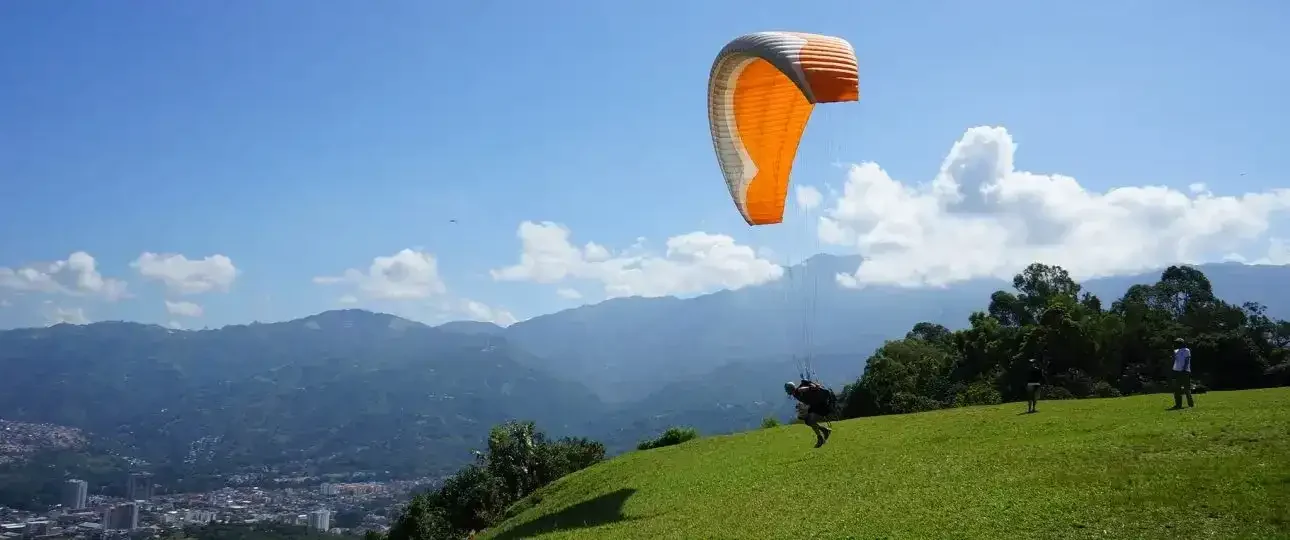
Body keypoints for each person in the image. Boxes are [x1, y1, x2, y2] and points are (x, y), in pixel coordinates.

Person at [784, 380, 833, 448]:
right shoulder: (796, 394)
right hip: (816, 406)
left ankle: (820, 438)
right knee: (807, 421)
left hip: (821, 406)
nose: (786, 391)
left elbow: (803, 389)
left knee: (810, 420)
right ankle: (825, 430)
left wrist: (811, 387)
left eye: (786, 390)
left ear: (789, 389)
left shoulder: (798, 391)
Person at [1171, 338, 1195, 409]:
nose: (1176, 344)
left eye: (1178, 343)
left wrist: (1184, 369)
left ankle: (1190, 404)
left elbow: (1187, 360)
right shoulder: (1176, 351)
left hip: (1185, 371)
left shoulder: (1187, 350)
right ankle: (1178, 404)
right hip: (1177, 371)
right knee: (1177, 389)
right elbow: (1174, 359)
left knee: (1186, 388)